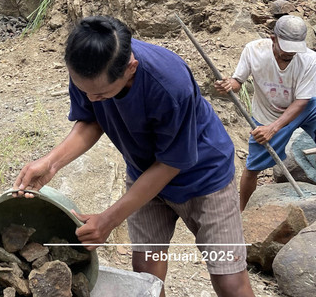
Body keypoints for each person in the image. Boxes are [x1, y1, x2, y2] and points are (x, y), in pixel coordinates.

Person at [15, 16, 254, 296]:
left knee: (229, 280)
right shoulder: (88, 64)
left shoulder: (169, 83)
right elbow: (92, 120)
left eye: (102, 94)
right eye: (85, 91)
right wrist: (51, 163)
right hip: (144, 173)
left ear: (131, 69)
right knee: (146, 276)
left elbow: (171, 163)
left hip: (204, 177)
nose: (92, 99)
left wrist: (109, 219)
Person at [214, 15, 316, 211]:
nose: (290, 53)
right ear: (273, 38)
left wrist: (274, 128)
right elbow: (237, 82)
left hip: (307, 107)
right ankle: (243, 213)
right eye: (286, 48)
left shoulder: (310, 59)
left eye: (295, 49)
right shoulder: (254, 50)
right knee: (252, 168)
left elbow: (302, 101)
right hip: (268, 114)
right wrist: (229, 85)